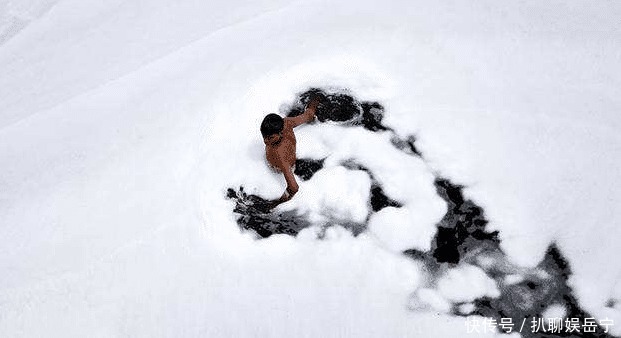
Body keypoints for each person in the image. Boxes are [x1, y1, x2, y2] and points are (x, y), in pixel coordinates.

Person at [260, 97, 320, 209]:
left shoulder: (279, 155)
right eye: (264, 135)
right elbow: (308, 115)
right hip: (289, 157)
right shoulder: (286, 122)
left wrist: (277, 203)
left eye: (270, 137)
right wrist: (314, 103)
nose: (265, 141)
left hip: (280, 167)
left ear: (280, 133)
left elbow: (294, 187)